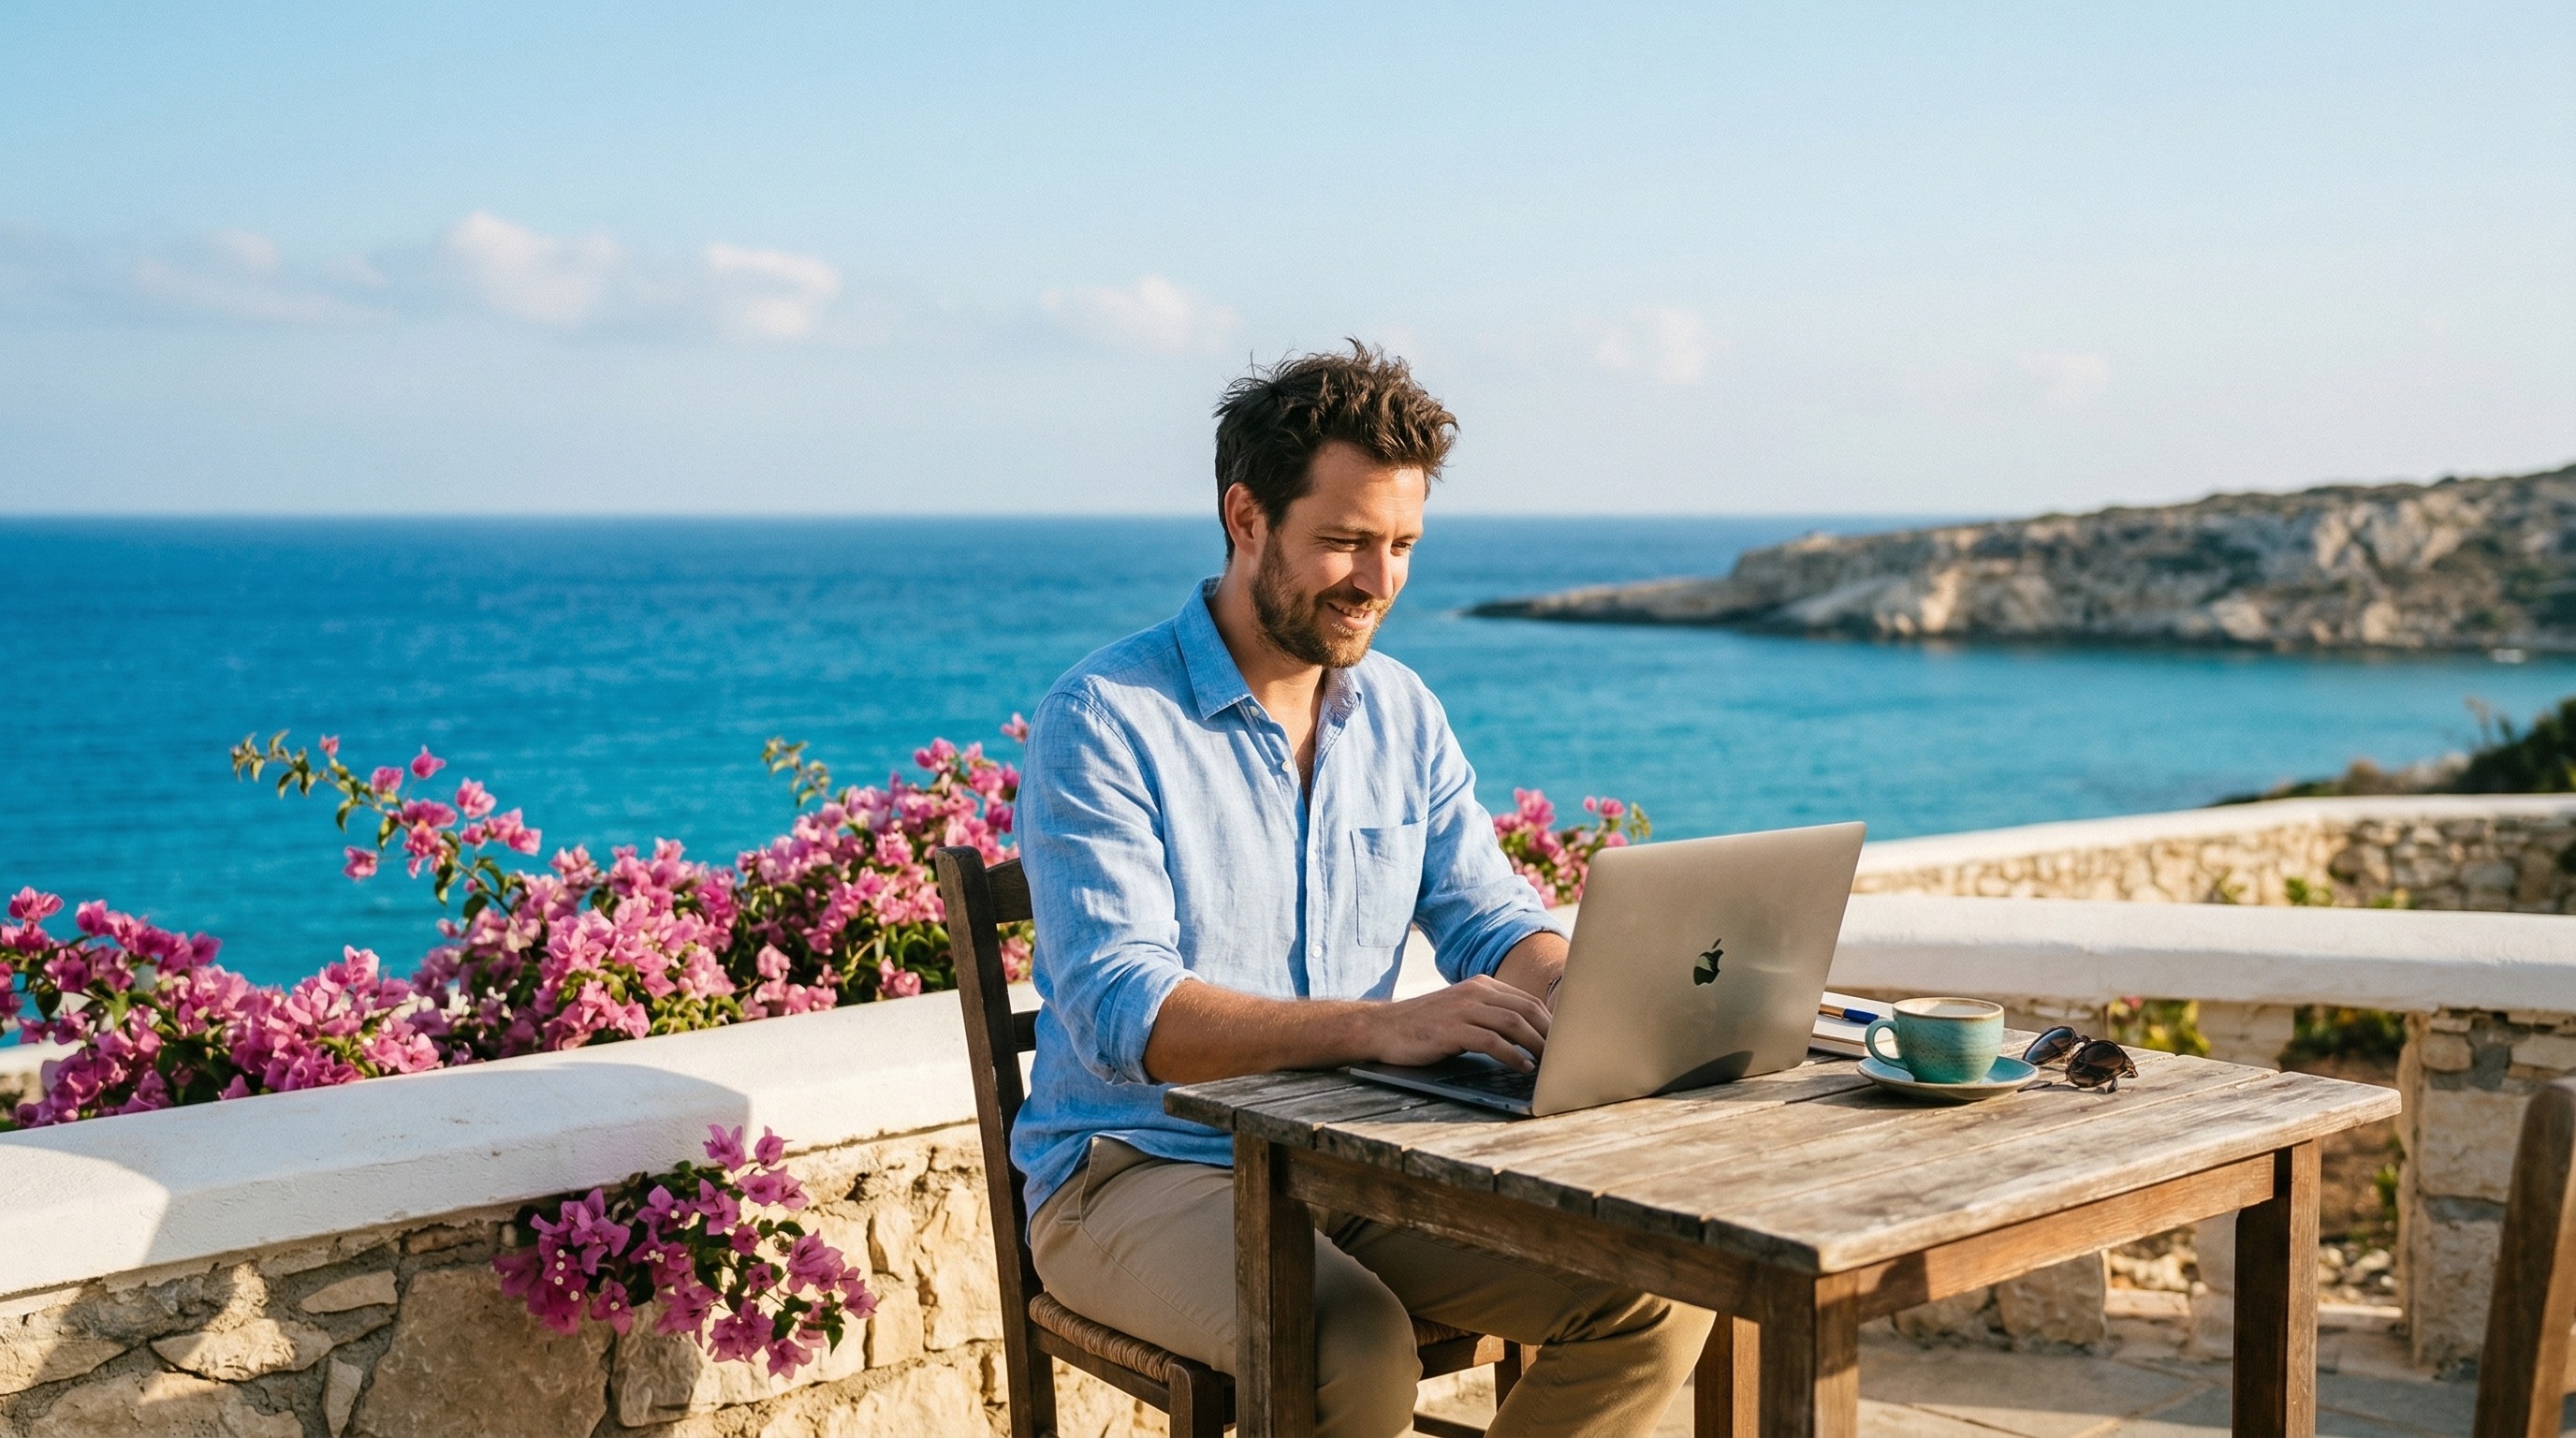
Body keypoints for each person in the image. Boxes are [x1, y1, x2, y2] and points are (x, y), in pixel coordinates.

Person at [1012, 344, 1710, 1437]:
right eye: (1343, 542)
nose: (1379, 582)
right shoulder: (1103, 718)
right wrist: (1382, 1027)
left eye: (1400, 546)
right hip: (1136, 1170)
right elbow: (1121, 1012)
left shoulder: (1400, 711)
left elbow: (1484, 913)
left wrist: (1598, 990)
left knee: (1653, 1293)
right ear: (1246, 518)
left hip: (1353, 1167)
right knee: (1346, 1345)